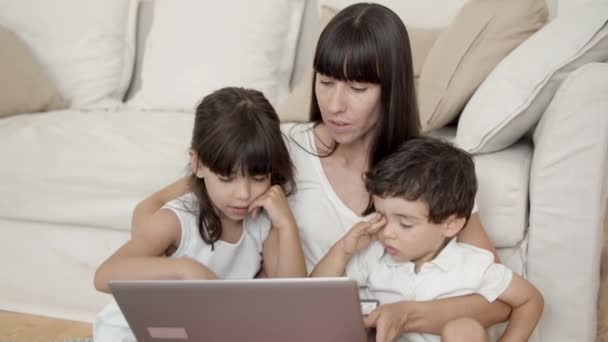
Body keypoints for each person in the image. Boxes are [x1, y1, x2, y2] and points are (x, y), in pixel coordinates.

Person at [131, 3, 511, 341]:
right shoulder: (284, 150)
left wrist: (406, 316)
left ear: (391, 90)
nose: (334, 105)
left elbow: (499, 302)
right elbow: (183, 193)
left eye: (358, 88)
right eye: (325, 83)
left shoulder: (431, 170)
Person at [92, 87, 307, 342]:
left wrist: (287, 225)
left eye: (258, 177)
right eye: (227, 178)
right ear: (198, 164)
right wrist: (184, 269)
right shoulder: (178, 219)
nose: (243, 193)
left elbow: (293, 305)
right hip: (137, 333)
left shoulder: (261, 222)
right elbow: (104, 275)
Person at [312, 137, 544, 342]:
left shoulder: (472, 264)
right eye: (382, 216)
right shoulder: (374, 256)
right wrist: (343, 249)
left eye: (405, 224)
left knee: (463, 329)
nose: (387, 232)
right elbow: (314, 293)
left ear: (450, 224)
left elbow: (530, 300)